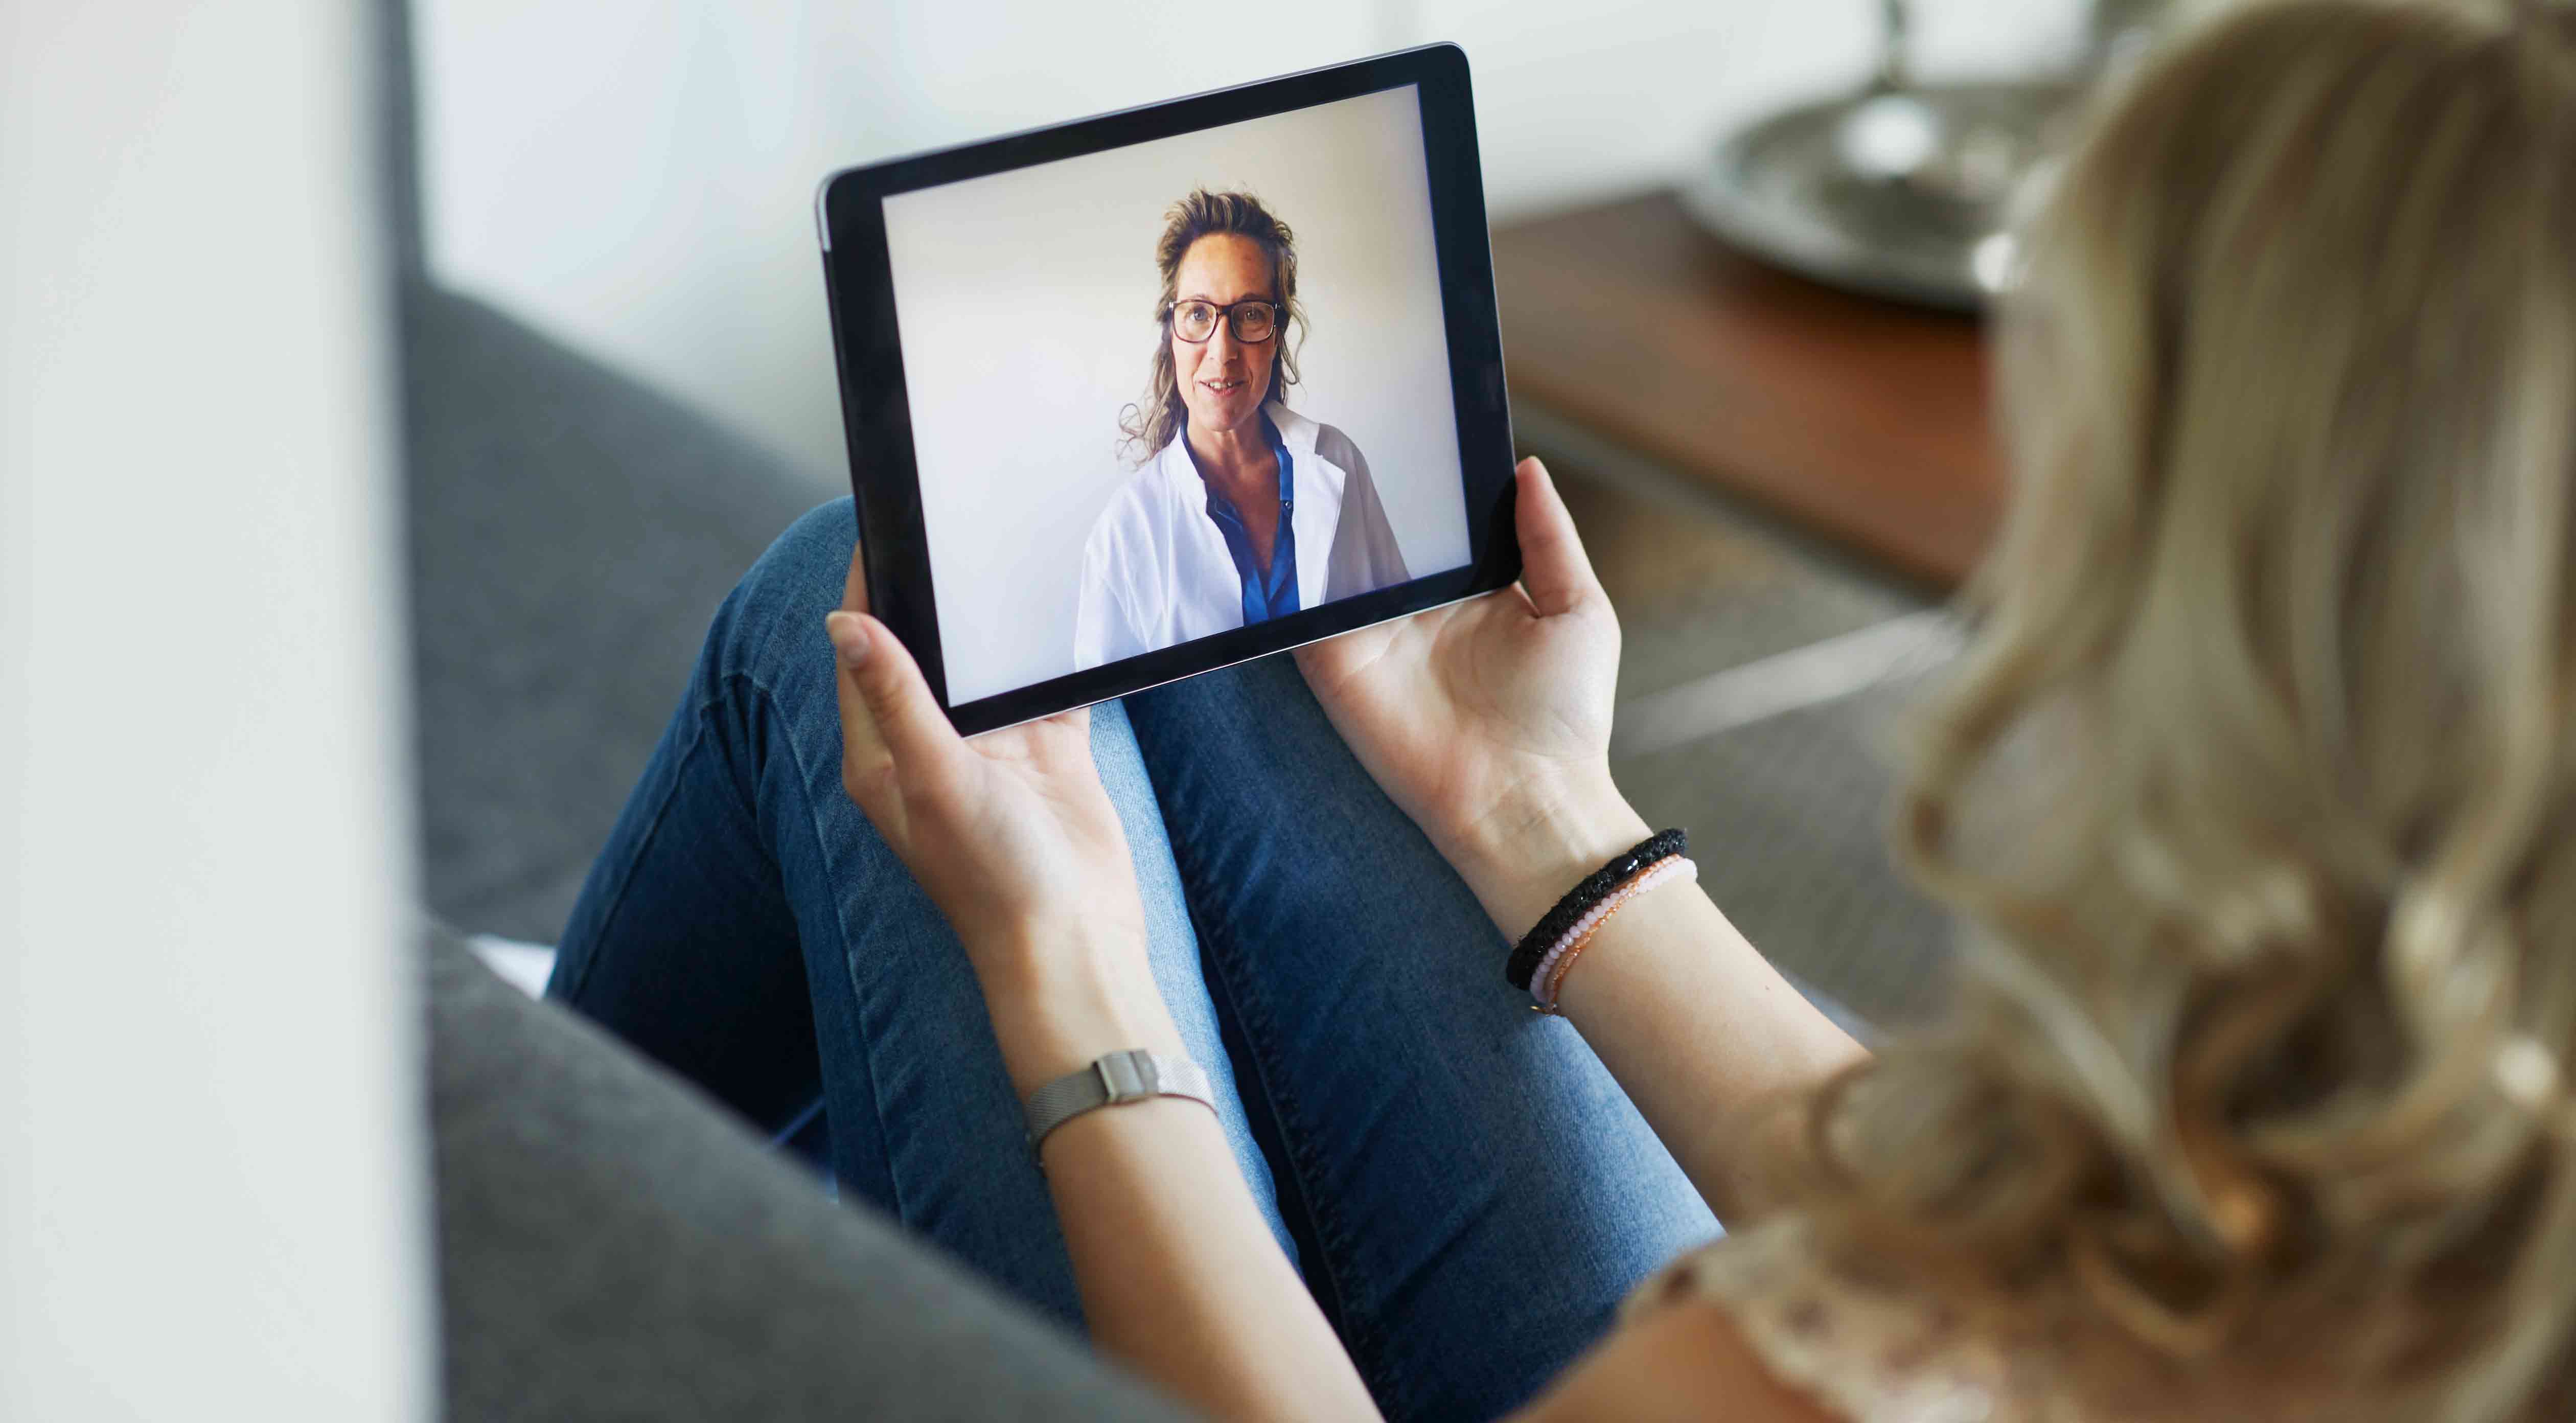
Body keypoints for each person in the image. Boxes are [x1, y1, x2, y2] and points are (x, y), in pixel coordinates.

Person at [550, 3, 2576, 1418]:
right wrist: (1546, 823)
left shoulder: (1813, 1376)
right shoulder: (2438, 1160)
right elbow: (2070, 1249)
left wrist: (1074, 993)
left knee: (827, 649)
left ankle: (484, 1227)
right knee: (1194, 671)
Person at [1073, 189, 1410, 671]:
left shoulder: (1339, 461)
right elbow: (1106, 726)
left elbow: (1406, 635)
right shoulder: (1125, 533)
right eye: (1198, 314)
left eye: (1250, 314)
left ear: (1277, 334)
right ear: (1172, 332)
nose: (1222, 351)